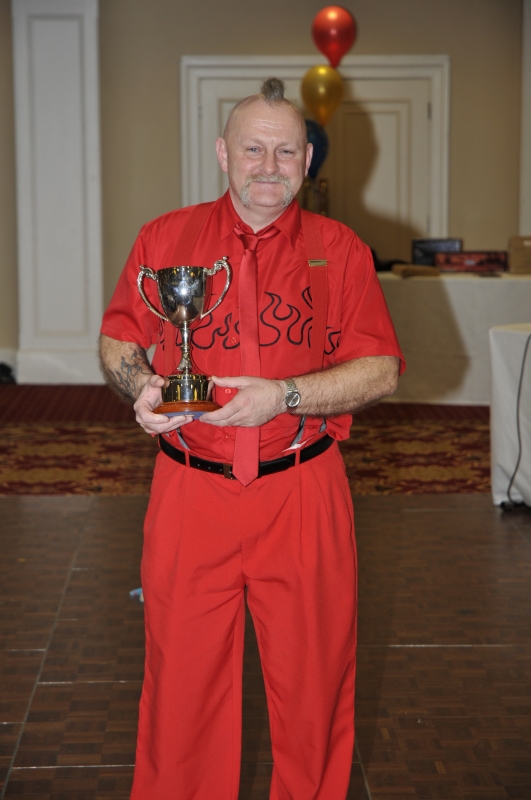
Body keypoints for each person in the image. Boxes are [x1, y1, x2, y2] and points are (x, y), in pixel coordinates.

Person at [99, 77, 404, 800]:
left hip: (302, 490)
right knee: (180, 692)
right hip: (190, 492)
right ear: (222, 153)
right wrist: (140, 387)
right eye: (252, 150)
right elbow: (119, 341)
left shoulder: (340, 249)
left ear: (307, 160)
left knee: (313, 693)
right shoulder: (165, 239)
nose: (269, 166)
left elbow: (381, 370)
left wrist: (285, 395)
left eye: (286, 151)